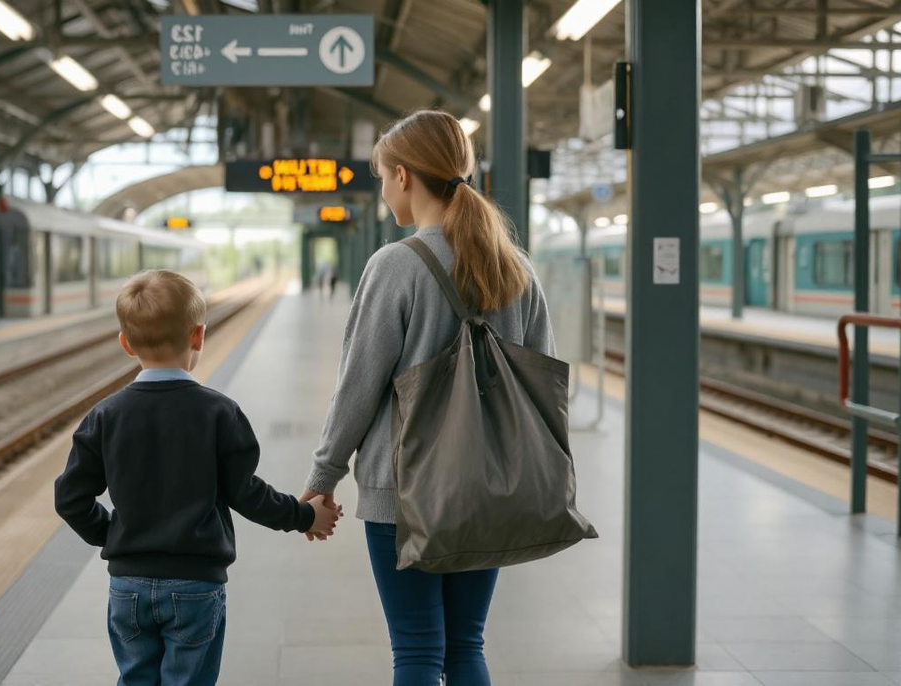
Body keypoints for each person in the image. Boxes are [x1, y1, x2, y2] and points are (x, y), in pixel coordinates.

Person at [300, 110, 555, 686]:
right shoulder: (515, 268)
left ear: (406, 175)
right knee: (467, 646)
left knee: (416, 652)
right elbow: (544, 377)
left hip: (404, 491)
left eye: (383, 176)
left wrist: (323, 478)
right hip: (490, 485)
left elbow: (358, 388)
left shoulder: (394, 265)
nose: (383, 188)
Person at [54, 269, 340, 686]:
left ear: (126, 343)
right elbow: (246, 494)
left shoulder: (105, 416)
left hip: (127, 587)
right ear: (198, 336)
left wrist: (115, 534)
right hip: (195, 585)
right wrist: (302, 516)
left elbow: (70, 498)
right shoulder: (218, 413)